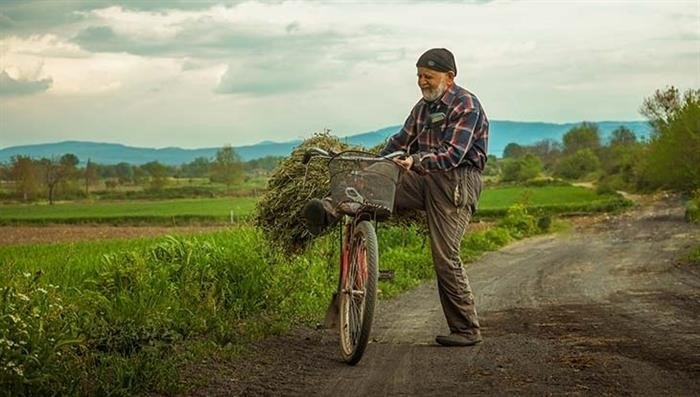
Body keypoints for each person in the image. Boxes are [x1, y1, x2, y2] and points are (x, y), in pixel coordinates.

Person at [305, 48, 488, 347]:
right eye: (418, 76)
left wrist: (416, 161)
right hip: (423, 177)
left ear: (450, 77)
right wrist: (366, 162)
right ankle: (329, 209)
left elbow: (453, 154)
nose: (422, 82)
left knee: (445, 256)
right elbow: (400, 141)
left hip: (456, 182)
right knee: (375, 181)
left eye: (428, 76)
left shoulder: (465, 104)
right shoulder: (422, 108)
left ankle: (467, 329)